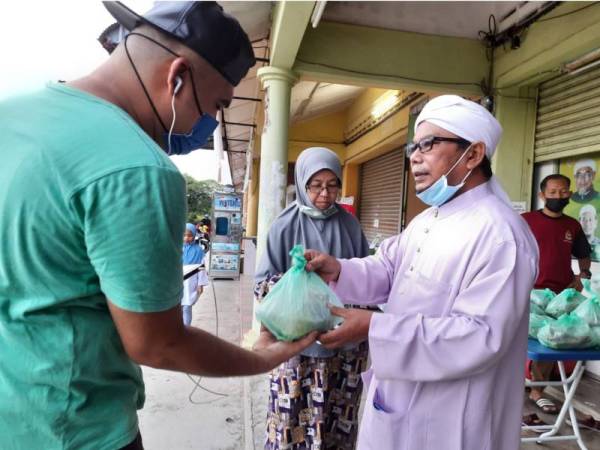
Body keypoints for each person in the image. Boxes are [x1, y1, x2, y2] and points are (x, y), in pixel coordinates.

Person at [0, 3, 316, 450]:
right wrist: (260, 358)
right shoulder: (138, 168)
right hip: (73, 429)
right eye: (216, 105)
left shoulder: (11, 115)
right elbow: (157, 343)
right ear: (177, 78)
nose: (207, 125)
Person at [302, 95, 539, 450]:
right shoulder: (428, 219)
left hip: (454, 418)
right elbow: (388, 268)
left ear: (472, 154)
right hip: (399, 399)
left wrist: (374, 326)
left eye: (428, 144)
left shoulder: (502, 235)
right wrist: (338, 268)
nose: (414, 156)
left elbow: (480, 336)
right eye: (414, 146)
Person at [254, 147, 371, 450]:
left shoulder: (350, 226)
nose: (324, 193)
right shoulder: (283, 226)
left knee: (336, 420)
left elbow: (369, 279)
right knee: (291, 420)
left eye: (332, 185)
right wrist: (301, 282)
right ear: (302, 184)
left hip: (342, 346)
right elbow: (262, 286)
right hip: (297, 346)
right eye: (316, 185)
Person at [522, 174, 592, 414]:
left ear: (570, 194)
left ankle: (537, 391)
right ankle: (514, 382)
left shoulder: (572, 225)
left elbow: (583, 254)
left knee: (549, 342)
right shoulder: (525, 220)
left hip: (559, 296)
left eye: (563, 192)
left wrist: (583, 274)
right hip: (527, 291)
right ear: (542, 195)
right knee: (517, 340)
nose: (558, 196)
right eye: (552, 192)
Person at [182, 223, 209, 326]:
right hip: (178, 283)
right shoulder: (177, 249)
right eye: (184, 235)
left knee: (187, 306)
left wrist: (200, 284)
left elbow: (201, 268)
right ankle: (179, 329)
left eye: (189, 235)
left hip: (191, 282)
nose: (186, 238)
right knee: (178, 307)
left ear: (194, 235)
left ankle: (186, 329)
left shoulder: (198, 251)